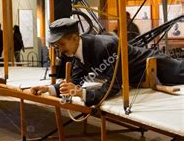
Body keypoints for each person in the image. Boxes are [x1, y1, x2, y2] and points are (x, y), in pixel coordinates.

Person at [30, 18, 182, 107]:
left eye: (61, 44)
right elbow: (76, 81)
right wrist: (48, 89)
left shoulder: (105, 47)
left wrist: (81, 93)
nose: (60, 49)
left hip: (159, 67)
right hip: (139, 78)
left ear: (75, 38)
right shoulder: (77, 52)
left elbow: (113, 86)